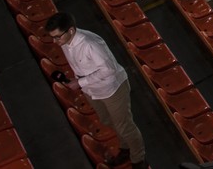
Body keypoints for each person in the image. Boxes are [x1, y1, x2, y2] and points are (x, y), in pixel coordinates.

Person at [47, 12, 147, 168]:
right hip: (91, 90)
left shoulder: (90, 44)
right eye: (53, 37)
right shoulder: (65, 41)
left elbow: (109, 70)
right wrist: (79, 81)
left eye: (57, 37)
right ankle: (126, 148)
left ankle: (138, 159)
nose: (55, 41)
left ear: (71, 31)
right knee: (107, 120)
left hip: (113, 89)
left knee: (125, 126)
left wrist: (80, 82)